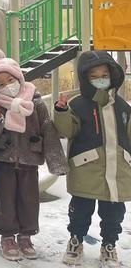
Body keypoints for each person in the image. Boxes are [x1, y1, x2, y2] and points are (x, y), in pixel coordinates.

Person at [0, 48, 68, 261]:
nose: (7, 85)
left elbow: (48, 130)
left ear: (18, 78)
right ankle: (7, 236)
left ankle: (26, 236)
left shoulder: (36, 103)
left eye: (10, 79)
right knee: (5, 201)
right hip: (4, 161)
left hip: (30, 161)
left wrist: (56, 163)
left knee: (29, 201)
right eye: (1, 84)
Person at [54, 50, 131, 268]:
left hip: (117, 172)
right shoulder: (78, 104)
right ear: (86, 79)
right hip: (86, 169)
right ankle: (76, 240)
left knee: (113, 214)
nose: (100, 79)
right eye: (94, 76)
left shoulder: (123, 107)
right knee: (80, 210)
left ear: (113, 75)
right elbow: (67, 130)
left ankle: (109, 245)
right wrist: (61, 111)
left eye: (104, 74)